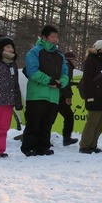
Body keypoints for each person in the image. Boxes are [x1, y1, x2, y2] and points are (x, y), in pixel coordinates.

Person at [21, 25, 69, 157]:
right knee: (34, 122)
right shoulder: (35, 52)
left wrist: (61, 83)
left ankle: (43, 147)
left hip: (53, 95)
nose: (55, 39)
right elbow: (32, 71)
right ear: (44, 37)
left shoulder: (59, 56)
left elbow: (65, 73)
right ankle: (29, 147)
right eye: (52, 37)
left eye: (56, 37)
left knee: (47, 123)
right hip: (37, 94)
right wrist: (49, 80)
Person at [78, 40, 102, 154]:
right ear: (99, 49)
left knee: (99, 125)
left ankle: (93, 144)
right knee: (92, 123)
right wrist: (90, 96)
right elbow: (87, 80)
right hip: (94, 97)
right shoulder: (91, 61)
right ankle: (84, 145)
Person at [58, 51, 78, 146]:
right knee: (69, 117)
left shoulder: (61, 65)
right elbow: (66, 84)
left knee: (51, 118)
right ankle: (67, 138)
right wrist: (68, 96)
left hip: (56, 95)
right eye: (74, 60)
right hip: (62, 96)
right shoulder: (68, 67)